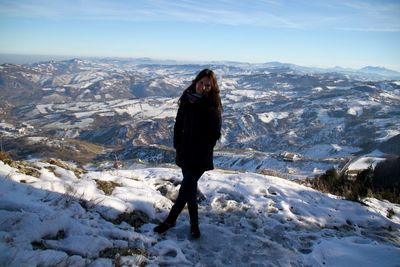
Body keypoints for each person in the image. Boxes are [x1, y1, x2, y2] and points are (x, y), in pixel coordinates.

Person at [154, 69, 222, 238]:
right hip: (185, 153)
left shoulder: (212, 106)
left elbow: (214, 134)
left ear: (212, 87)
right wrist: (178, 144)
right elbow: (178, 124)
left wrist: (202, 148)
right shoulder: (187, 100)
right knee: (190, 190)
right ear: (195, 82)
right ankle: (194, 225)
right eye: (201, 83)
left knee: (186, 188)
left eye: (208, 85)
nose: (203, 87)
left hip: (200, 156)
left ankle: (170, 220)